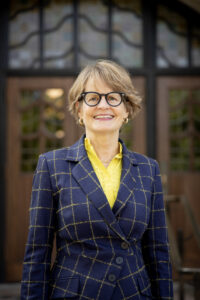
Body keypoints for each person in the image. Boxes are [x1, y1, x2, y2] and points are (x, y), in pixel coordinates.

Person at [21, 59, 173, 300]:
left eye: (113, 97)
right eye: (92, 97)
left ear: (127, 109)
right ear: (79, 109)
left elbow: (158, 252)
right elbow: (37, 251)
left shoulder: (148, 169)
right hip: (75, 294)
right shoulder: (51, 165)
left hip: (133, 294)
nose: (103, 105)